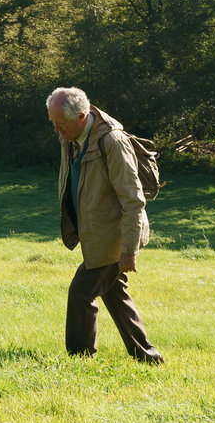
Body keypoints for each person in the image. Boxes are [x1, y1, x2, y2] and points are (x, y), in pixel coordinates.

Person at [46, 86, 163, 363]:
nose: (55, 130)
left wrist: (129, 250)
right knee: (114, 294)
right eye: (53, 123)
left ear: (81, 117)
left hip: (113, 237)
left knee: (81, 292)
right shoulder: (71, 137)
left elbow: (133, 200)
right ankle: (147, 356)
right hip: (95, 234)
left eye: (60, 124)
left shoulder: (111, 142)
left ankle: (79, 358)